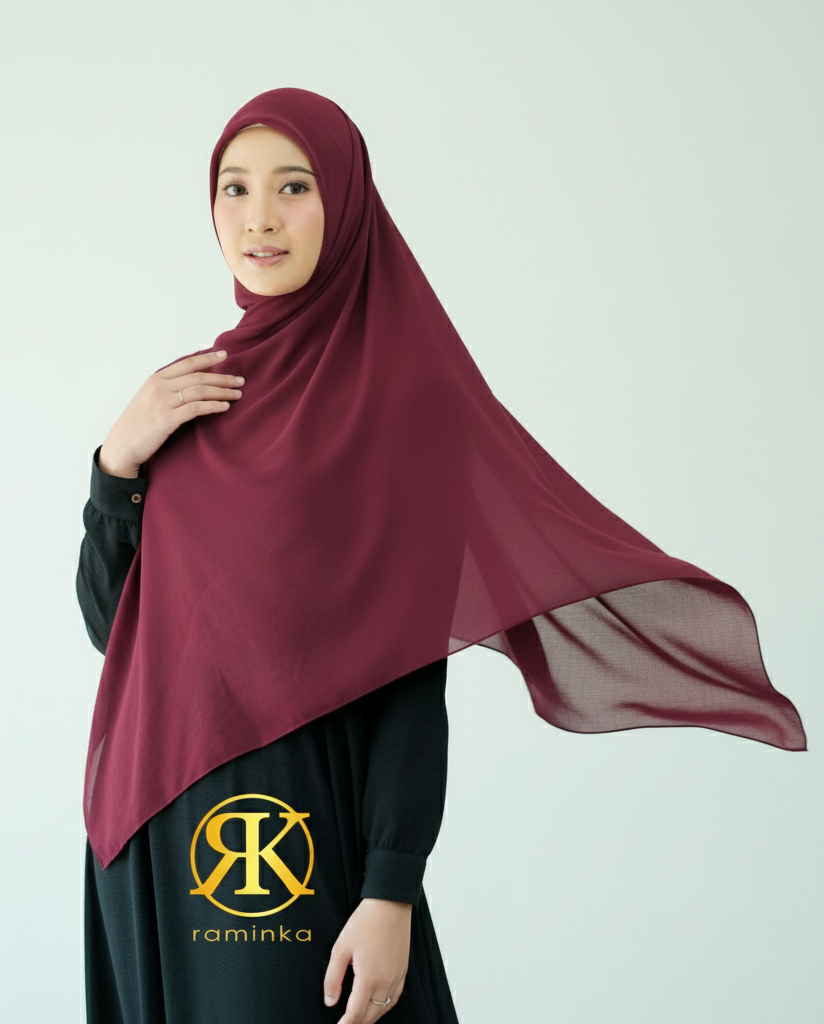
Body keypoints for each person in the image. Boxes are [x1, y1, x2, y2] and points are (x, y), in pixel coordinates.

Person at [77, 88, 805, 1024]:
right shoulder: (189, 399)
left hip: (299, 826)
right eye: (235, 188)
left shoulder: (403, 417)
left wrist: (390, 887)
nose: (258, 218)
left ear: (347, 204)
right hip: (153, 816)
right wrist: (116, 466)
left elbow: (410, 679)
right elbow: (116, 633)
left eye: (294, 186)